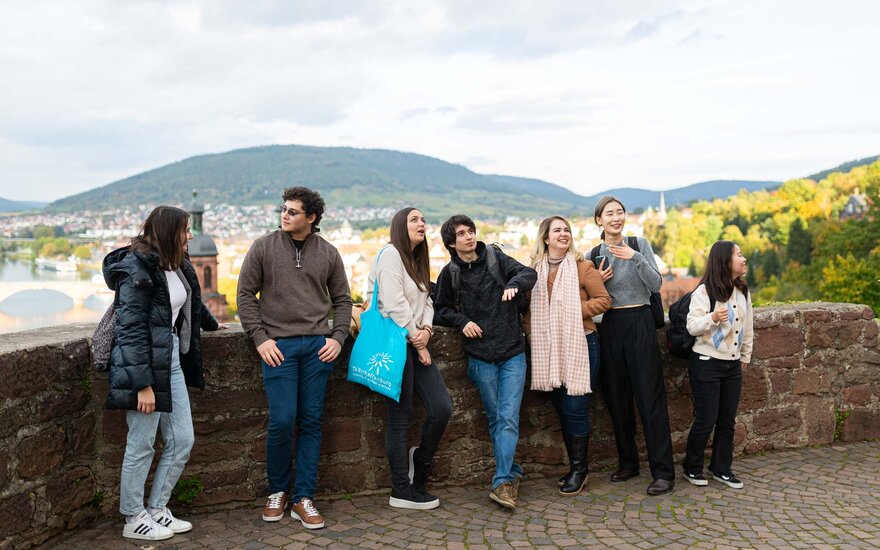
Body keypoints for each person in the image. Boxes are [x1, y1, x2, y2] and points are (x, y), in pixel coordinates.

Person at [103, 206, 226, 541]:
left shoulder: (177, 263)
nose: (190, 236)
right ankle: (133, 516)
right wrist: (142, 384)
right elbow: (129, 330)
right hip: (143, 364)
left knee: (182, 439)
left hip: (169, 358)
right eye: (185, 230)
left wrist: (213, 324)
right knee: (141, 443)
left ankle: (157, 508)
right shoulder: (137, 268)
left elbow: (190, 304)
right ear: (171, 231)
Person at [237, 186, 352, 529]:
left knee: (311, 421)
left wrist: (338, 337)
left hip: (318, 348)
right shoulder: (263, 247)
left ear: (311, 217)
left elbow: (343, 300)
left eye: (292, 211)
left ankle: (304, 497)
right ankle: (278, 492)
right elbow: (245, 295)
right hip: (278, 348)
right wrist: (259, 338)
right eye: (283, 209)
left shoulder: (328, 253)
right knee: (283, 420)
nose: (284, 215)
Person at [433, 215, 537, 509]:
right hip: (480, 357)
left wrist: (514, 284)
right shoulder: (450, 273)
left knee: (506, 417)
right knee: (496, 419)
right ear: (451, 243)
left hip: (512, 352)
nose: (468, 237)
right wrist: (462, 320)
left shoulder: (495, 258)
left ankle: (502, 482)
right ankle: (512, 471)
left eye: (470, 231)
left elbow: (529, 274)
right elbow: (439, 308)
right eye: (461, 234)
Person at [366, 207, 453, 510]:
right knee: (399, 417)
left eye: (423, 219)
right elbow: (392, 303)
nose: (422, 223)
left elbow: (426, 299)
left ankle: (421, 462)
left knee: (442, 408)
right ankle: (401, 489)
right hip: (396, 345)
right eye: (414, 219)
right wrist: (419, 342)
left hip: (414, 342)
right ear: (400, 227)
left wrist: (427, 328)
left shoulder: (417, 260)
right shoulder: (391, 254)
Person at [592, 196, 676, 495]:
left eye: (620, 212)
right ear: (599, 220)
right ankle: (628, 463)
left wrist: (634, 257)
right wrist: (598, 281)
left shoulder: (639, 244)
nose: (616, 217)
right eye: (609, 213)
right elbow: (591, 299)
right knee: (617, 398)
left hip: (640, 320)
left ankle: (663, 472)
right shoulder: (593, 254)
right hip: (611, 325)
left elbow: (656, 285)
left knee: (650, 398)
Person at [525, 216, 611, 496]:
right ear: (546, 238)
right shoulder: (532, 271)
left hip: (582, 344)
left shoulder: (583, 267)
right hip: (548, 348)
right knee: (562, 407)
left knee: (575, 407)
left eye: (567, 230)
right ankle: (576, 467)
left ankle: (580, 470)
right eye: (557, 230)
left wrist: (574, 309)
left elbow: (604, 301)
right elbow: (526, 312)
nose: (564, 234)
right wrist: (531, 333)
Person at [683, 241, 753, 489]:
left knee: (727, 420)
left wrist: (745, 356)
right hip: (706, 362)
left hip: (732, 365)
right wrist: (712, 318)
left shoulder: (742, 291)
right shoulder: (704, 292)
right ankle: (692, 467)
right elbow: (692, 326)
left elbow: (748, 327)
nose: (744, 259)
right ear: (725, 261)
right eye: (739, 255)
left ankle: (721, 468)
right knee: (706, 418)